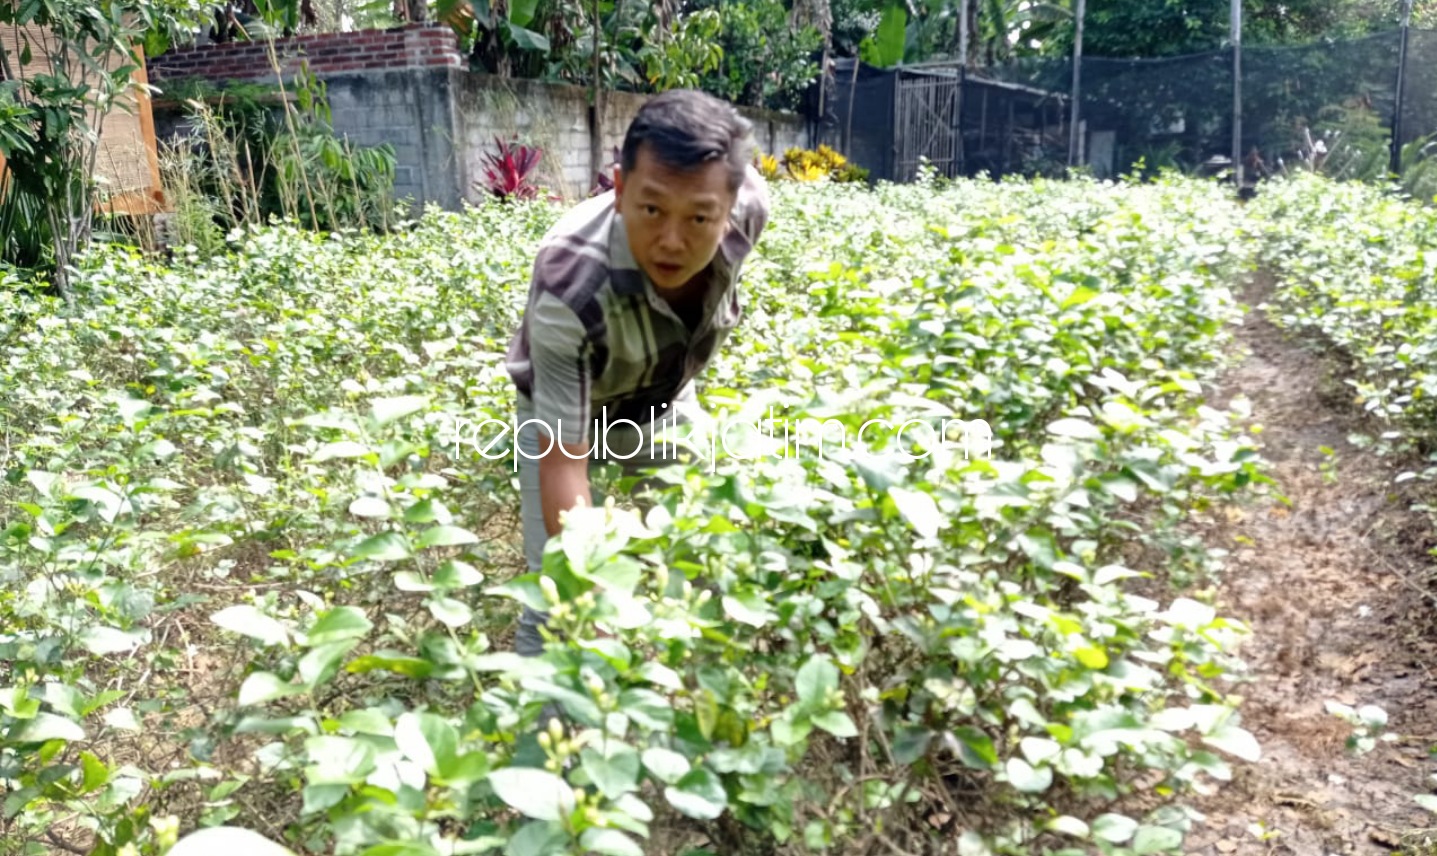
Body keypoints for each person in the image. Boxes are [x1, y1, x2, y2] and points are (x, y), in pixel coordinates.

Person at [503, 88, 771, 656]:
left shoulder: (749, 207)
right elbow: (563, 461)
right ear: (620, 190)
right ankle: (540, 701)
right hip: (569, 408)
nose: (672, 241)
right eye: (652, 210)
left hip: (662, 398)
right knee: (559, 600)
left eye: (699, 217)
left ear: (729, 208)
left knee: (699, 556)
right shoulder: (569, 286)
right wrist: (593, 593)